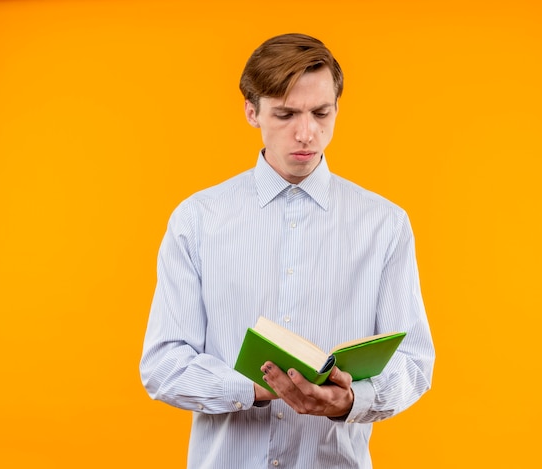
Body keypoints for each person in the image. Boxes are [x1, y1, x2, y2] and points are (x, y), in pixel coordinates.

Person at [140, 33, 435, 468]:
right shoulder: (197, 219)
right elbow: (163, 363)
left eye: (321, 112)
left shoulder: (385, 224)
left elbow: (413, 363)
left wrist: (350, 399)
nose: (306, 132)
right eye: (285, 114)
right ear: (251, 111)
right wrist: (257, 389)